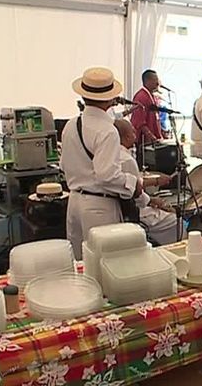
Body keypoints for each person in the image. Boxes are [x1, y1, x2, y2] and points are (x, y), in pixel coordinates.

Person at [61, 67, 142, 259]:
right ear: (110, 98)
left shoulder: (71, 125)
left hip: (74, 202)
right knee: (105, 262)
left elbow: (64, 166)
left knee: (80, 263)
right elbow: (106, 175)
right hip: (98, 205)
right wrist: (132, 183)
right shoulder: (107, 130)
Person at [114, 119, 181, 245]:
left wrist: (155, 182)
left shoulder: (113, 154)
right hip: (135, 212)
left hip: (121, 208)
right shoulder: (127, 159)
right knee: (176, 220)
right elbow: (136, 192)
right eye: (133, 131)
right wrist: (152, 201)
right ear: (127, 136)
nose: (135, 133)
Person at [131, 69, 163, 146]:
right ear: (147, 81)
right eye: (155, 80)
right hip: (145, 141)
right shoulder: (141, 96)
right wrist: (150, 135)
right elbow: (139, 121)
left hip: (154, 139)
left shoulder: (152, 96)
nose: (157, 83)